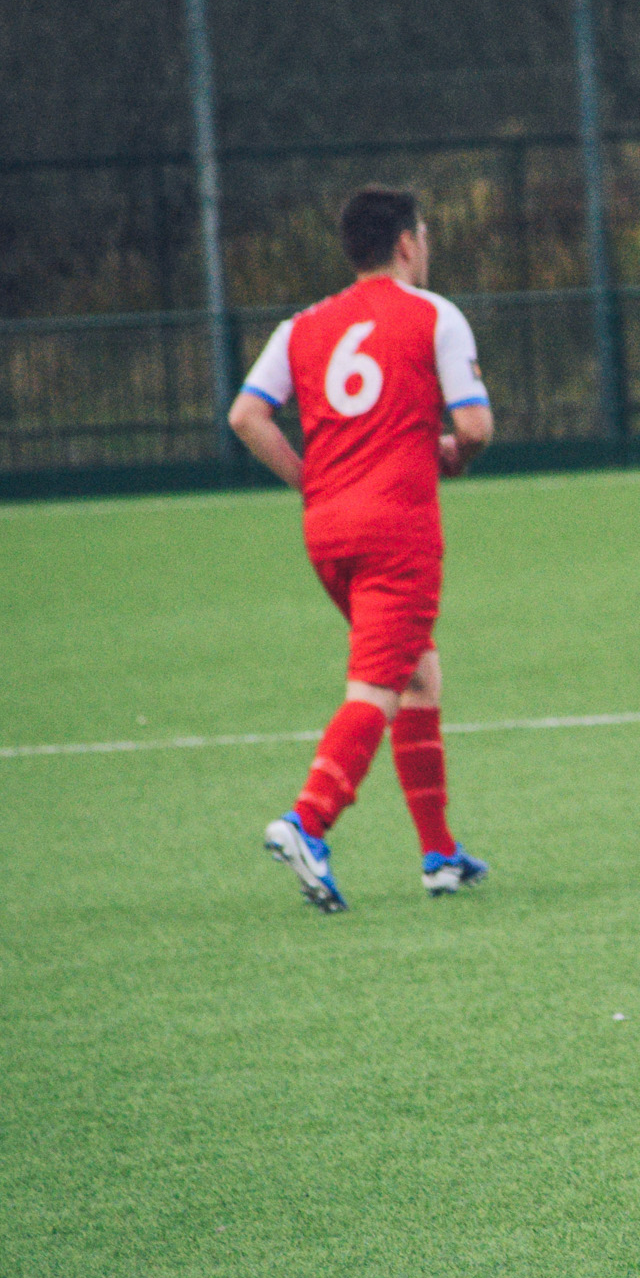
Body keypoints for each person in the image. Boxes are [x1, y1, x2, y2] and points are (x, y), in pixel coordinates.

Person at [228, 186, 496, 912]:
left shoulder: (302, 325)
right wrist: (448, 455)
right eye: (426, 234)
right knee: (377, 683)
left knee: (417, 673)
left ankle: (439, 853)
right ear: (408, 242)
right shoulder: (435, 315)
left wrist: (310, 480)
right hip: (396, 531)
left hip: (328, 530)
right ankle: (307, 822)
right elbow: (473, 428)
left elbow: (246, 415)